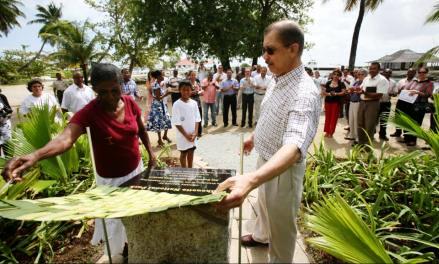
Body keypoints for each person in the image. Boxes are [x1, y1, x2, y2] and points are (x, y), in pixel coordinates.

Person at [2, 63, 156, 262]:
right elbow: (65, 138)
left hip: (136, 171)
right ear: (94, 90)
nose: (109, 97)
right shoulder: (89, 113)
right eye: (102, 92)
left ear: (121, 86)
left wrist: (151, 154)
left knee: (136, 215)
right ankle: (121, 254)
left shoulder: (130, 103)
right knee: (115, 222)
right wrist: (35, 156)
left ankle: (134, 247)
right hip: (110, 182)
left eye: (114, 91)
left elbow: (141, 130)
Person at [216, 20, 320, 263]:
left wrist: (250, 179)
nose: (264, 57)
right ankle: (261, 236)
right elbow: (271, 111)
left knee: (281, 226)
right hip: (266, 157)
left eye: (270, 50)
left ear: (293, 49)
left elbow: (294, 147)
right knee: (263, 206)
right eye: (264, 50)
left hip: (283, 170)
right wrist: (255, 136)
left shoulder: (304, 94)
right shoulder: (278, 76)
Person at [357, 62, 389, 145]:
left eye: (374, 68)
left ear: (379, 69)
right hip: (362, 102)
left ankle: (367, 146)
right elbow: (361, 89)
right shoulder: (366, 78)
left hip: (373, 104)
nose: (371, 70)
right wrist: (355, 89)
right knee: (360, 124)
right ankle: (360, 143)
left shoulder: (382, 80)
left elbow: (379, 95)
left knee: (369, 125)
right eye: (370, 68)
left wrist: (364, 92)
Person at [171, 80, 201, 168]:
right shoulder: (176, 104)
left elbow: (197, 119)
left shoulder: (194, 103)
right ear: (180, 90)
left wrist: (195, 132)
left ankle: (190, 169)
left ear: (191, 90)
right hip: (182, 134)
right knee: (183, 153)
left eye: (188, 90)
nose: (186, 92)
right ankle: (184, 170)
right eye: (184, 90)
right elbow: (176, 122)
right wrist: (185, 135)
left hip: (192, 134)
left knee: (191, 151)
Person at [402, 67, 433, 146]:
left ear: (427, 73)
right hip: (409, 103)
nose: (421, 74)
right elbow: (406, 88)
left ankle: (413, 140)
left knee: (417, 123)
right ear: (418, 73)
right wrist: (409, 91)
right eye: (420, 72)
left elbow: (428, 94)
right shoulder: (414, 81)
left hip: (420, 105)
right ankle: (407, 138)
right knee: (408, 122)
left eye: (424, 72)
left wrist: (417, 92)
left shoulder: (429, 83)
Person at [146, 70, 172, 147]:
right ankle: (159, 139)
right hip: (158, 106)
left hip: (161, 105)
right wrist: (167, 93)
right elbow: (158, 98)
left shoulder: (157, 84)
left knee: (166, 119)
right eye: (161, 75)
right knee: (159, 122)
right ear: (157, 77)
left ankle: (164, 136)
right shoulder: (156, 85)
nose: (163, 76)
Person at [390, 68, 417, 138]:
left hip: (410, 102)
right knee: (398, 117)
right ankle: (397, 132)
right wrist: (400, 89)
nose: (410, 74)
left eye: (412, 72)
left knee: (407, 118)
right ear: (407, 73)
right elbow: (397, 91)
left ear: (415, 73)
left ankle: (406, 134)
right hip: (401, 101)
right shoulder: (401, 81)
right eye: (409, 72)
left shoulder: (416, 81)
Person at [345, 68, 367, 143]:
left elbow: (362, 92)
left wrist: (354, 90)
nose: (359, 75)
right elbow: (350, 90)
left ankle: (358, 137)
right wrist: (350, 91)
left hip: (359, 102)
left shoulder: (365, 82)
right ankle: (352, 135)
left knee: (357, 120)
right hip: (352, 101)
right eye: (359, 74)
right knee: (351, 119)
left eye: (361, 74)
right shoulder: (356, 82)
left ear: (365, 75)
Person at [322, 69, 346, 138]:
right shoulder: (328, 82)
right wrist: (327, 94)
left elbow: (343, 92)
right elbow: (324, 92)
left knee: (334, 118)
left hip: (336, 103)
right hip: (327, 102)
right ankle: (327, 131)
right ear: (332, 75)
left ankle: (331, 132)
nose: (335, 76)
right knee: (327, 117)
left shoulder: (341, 83)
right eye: (334, 74)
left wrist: (336, 94)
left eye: (337, 75)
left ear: (340, 76)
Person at [378, 69, 398, 141]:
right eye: (386, 72)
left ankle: (382, 134)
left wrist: (392, 93)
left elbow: (395, 93)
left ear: (391, 74)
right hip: (376, 102)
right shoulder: (378, 80)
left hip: (386, 103)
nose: (387, 74)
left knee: (384, 120)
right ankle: (371, 134)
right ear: (383, 73)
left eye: (389, 73)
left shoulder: (393, 82)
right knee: (374, 120)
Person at [188, 70, 203, 136]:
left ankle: (199, 132)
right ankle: (193, 132)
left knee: (199, 117)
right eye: (192, 75)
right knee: (191, 118)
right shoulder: (188, 84)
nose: (193, 76)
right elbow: (186, 92)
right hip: (190, 103)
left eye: (194, 75)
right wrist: (192, 92)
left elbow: (201, 90)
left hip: (197, 102)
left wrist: (200, 92)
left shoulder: (197, 82)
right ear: (189, 76)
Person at [0, 89, 12, 157]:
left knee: (7, 145)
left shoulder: (2, 96)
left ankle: (9, 163)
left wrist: (4, 116)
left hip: (4, 125)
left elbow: (9, 110)